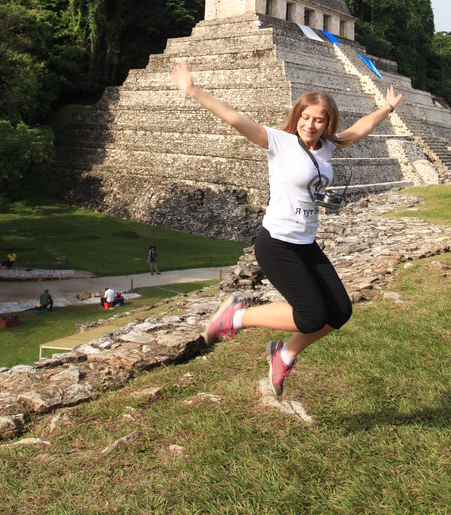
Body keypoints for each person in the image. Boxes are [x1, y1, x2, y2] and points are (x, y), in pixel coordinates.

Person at [171, 61, 403, 397]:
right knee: (310, 316)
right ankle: (235, 317)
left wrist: (386, 108)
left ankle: (283, 355)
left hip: (306, 244)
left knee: (339, 312)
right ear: (297, 117)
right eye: (306, 118)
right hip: (277, 243)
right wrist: (193, 90)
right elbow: (234, 117)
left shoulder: (327, 146)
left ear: (327, 123)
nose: (310, 125)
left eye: (318, 120)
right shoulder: (279, 141)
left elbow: (359, 130)